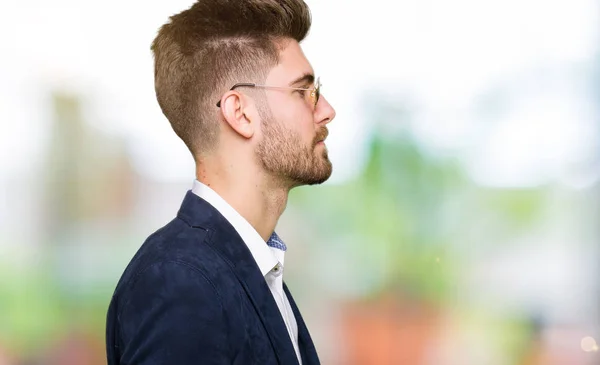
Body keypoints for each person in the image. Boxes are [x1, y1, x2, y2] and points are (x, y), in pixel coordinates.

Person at [105, 0, 336, 364]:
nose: (326, 110)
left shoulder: (252, 267)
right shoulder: (182, 281)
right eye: (303, 91)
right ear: (240, 113)